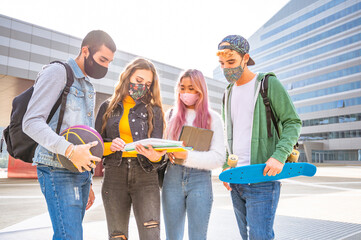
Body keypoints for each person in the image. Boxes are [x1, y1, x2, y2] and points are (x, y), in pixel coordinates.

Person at [23, 30, 116, 239]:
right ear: (85, 50)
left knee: (71, 235)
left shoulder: (88, 86)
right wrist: (70, 151)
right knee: (69, 236)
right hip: (57, 168)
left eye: (109, 62)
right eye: (102, 59)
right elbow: (31, 122)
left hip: (79, 172)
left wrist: (88, 179)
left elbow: (84, 137)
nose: (106, 67)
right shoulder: (57, 72)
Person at [217, 35, 302, 240]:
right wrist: (226, 167)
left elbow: (293, 122)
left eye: (231, 62)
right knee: (246, 237)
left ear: (245, 58)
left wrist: (279, 156)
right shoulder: (228, 92)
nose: (226, 68)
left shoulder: (267, 83)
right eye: (222, 64)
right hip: (236, 179)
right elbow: (230, 136)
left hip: (262, 176)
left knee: (259, 237)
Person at [95, 58, 167, 240]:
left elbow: (158, 154)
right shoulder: (107, 107)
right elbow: (94, 147)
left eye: (148, 84)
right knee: (117, 235)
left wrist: (154, 156)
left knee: (151, 233)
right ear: (127, 77)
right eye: (139, 80)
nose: (142, 86)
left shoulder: (155, 110)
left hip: (146, 175)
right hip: (114, 175)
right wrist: (111, 146)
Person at [162, 69, 225, 240]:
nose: (186, 93)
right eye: (182, 88)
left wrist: (186, 156)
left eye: (191, 88)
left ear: (201, 90)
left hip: (200, 180)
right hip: (172, 177)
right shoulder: (171, 115)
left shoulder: (213, 118)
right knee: (172, 236)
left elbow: (219, 158)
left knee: (198, 236)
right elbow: (164, 149)